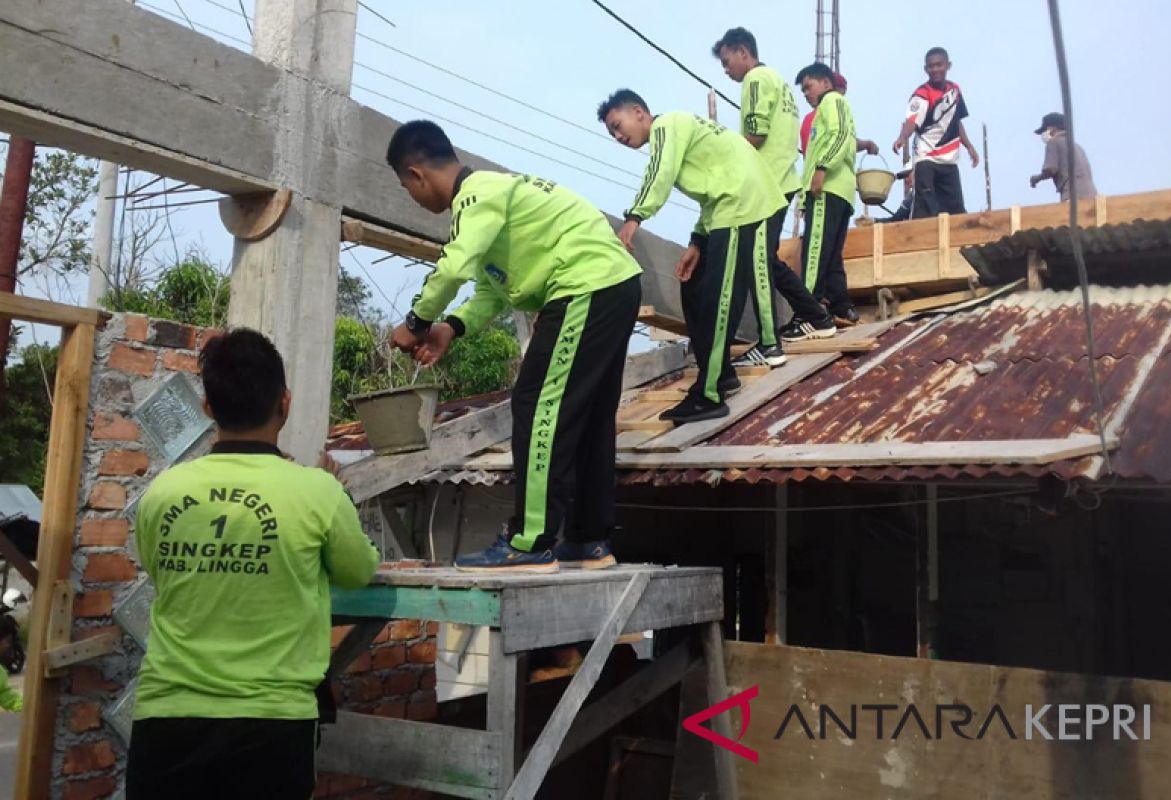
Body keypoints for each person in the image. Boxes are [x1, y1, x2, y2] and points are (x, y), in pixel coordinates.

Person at [126, 329, 381, 800]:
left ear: (208, 408)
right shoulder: (317, 491)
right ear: (284, 404)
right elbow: (358, 571)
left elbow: (162, 573)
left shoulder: (162, 492)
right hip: (273, 725)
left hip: (167, 719)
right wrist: (333, 496)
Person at [387, 121, 642, 573]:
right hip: (612, 285)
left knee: (536, 403)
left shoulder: (476, 195)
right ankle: (587, 540)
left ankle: (530, 542)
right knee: (586, 415)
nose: (412, 196)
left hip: (585, 285)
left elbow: (453, 267)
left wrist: (416, 321)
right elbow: (489, 290)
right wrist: (451, 327)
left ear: (416, 174)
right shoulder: (495, 199)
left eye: (406, 187)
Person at [599, 90, 835, 420]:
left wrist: (635, 215)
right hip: (726, 205)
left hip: (741, 205)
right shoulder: (681, 131)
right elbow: (711, 192)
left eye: (617, 125)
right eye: (612, 133)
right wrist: (697, 242)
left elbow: (659, 173)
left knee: (719, 299)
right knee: (694, 285)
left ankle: (709, 395)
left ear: (638, 112)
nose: (618, 136)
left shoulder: (666, 125)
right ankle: (722, 374)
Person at [710, 27, 838, 354]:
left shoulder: (755, 80)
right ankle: (817, 317)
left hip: (766, 185)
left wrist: (721, 155)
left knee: (757, 261)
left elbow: (755, 134)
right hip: (781, 180)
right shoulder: (778, 82)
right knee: (764, 258)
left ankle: (771, 344)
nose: (726, 71)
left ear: (743, 51)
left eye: (727, 62)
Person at [794, 63, 861, 326]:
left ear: (825, 82)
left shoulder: (832, 101)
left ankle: (807, 313)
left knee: (815, 250)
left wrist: (822, 168)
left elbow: (840, 135)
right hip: (839, 190)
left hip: (828, 187)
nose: (807, 94)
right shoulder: (827, 108)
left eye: (808, 87)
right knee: (831, 253)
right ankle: (841, 306)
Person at [891, 47, 979, 218]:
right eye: (931, 66)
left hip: (949, 160)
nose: (935, 69)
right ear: (926, 69)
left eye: (939, 65)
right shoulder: (921, 94)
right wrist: (902, 137)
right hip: (927, 158)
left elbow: (956, 121)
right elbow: (911, 121)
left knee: (955, 209)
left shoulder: (954, 90)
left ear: (948, 65)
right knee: (925, 208)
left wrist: (969, 146)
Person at [799, 71, 879, 159]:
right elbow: (843, 141)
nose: (840, 99)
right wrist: (867, 144)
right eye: (839, 94)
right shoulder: (827, 113)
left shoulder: (809, 118)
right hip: (827, 170)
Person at [1030, 112, 1097, 202]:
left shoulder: (1054, 142)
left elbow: (1050, 169)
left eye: (1045, 130)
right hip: (1091, 194)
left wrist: (1037, 178)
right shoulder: (1076, 146)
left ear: (1052, 128)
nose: (1044, 133)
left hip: (1073, 193)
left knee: (1069, 215)